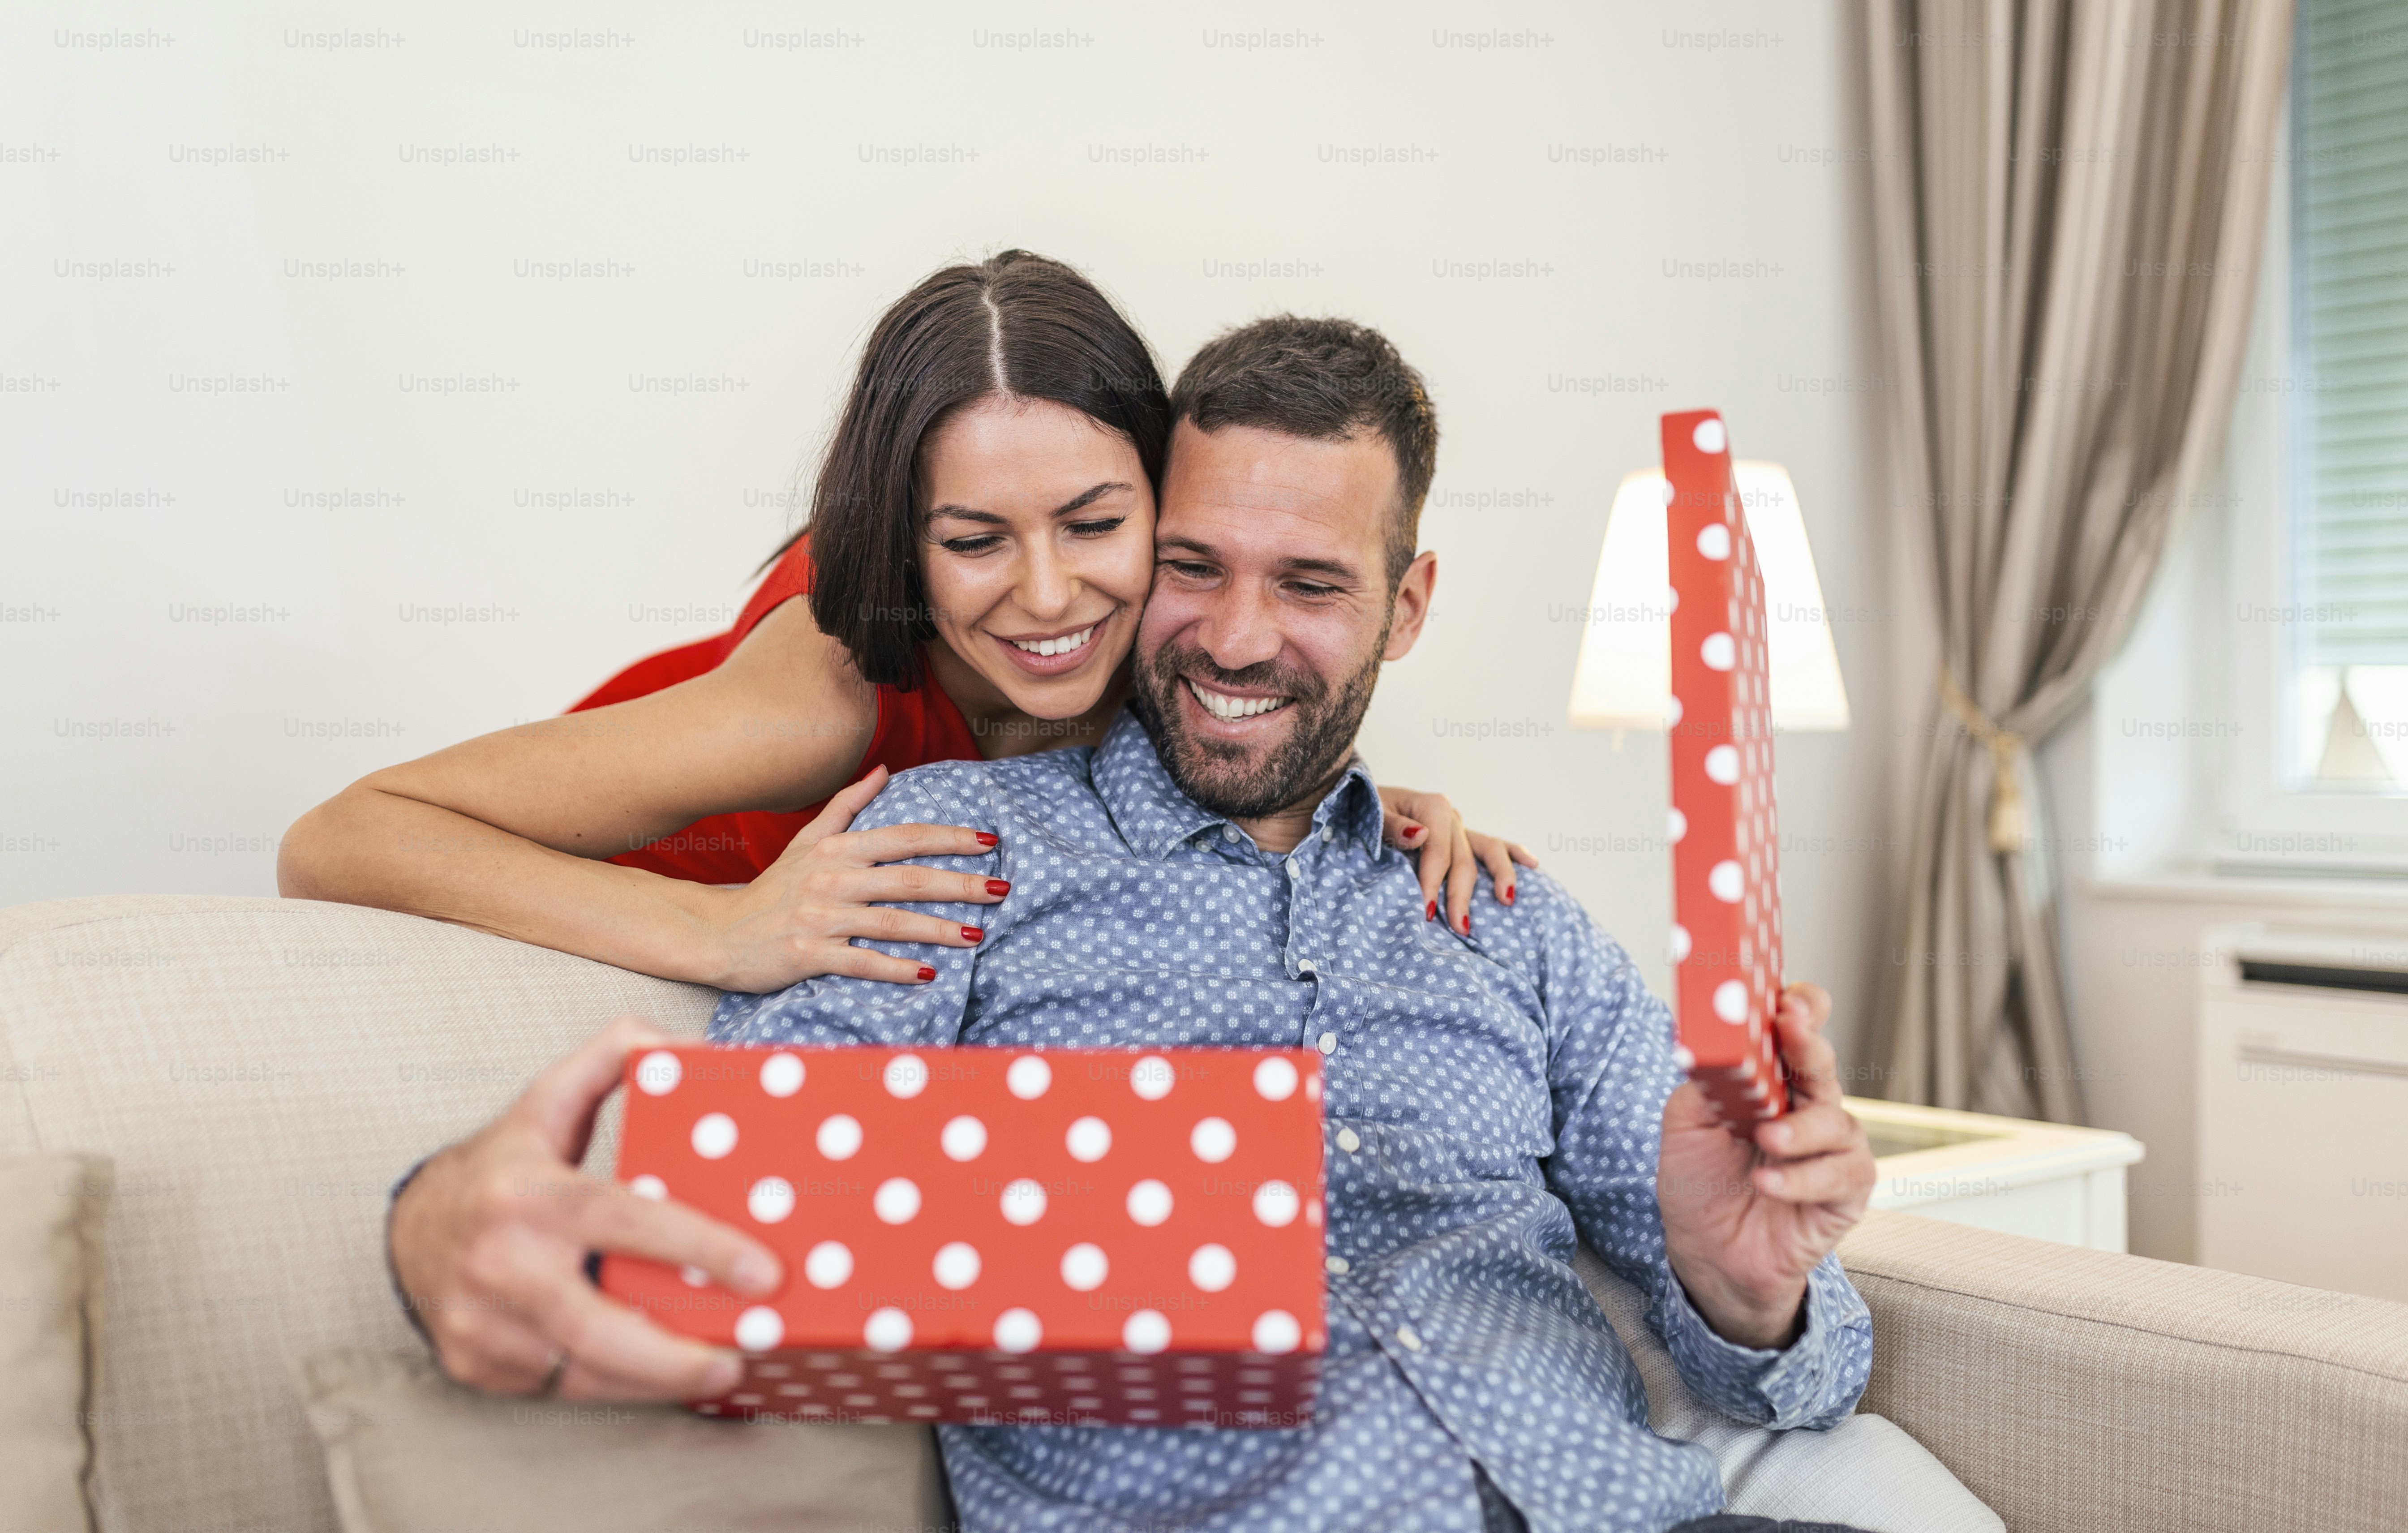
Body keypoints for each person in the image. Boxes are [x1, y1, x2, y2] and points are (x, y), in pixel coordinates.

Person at [388, 316, 1881, 1532]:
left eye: (1311, 583)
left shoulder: (1502, 915)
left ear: (1406, 607)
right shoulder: (938, 842)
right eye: (1193, 565)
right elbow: (725, 1221)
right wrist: (438, 1214)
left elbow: (1800, 1378)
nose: (1235, 637)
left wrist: (1748, 1291)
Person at [278, 252, 1527, 994]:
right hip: (609, 926)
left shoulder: (1158, 636)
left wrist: (1358, 809)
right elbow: (341, 840)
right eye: (974, 541)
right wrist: (722, 925)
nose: (1049, 596)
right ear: (905, 540)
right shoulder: (819, 697)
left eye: (1095, 524)